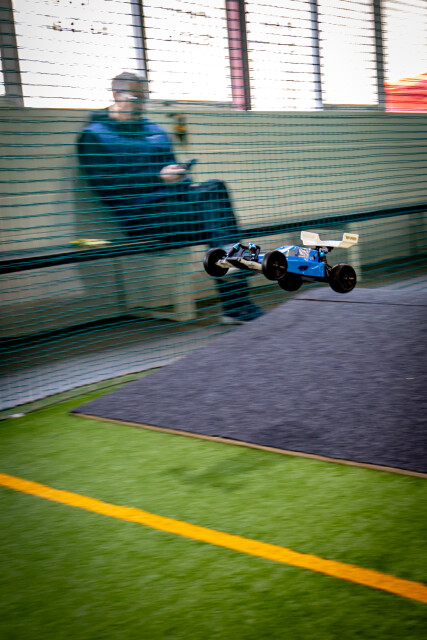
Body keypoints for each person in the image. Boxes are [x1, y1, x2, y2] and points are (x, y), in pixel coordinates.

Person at [77, 72, 264, 324]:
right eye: (135, 98)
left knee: (214, 190)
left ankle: (234, 285)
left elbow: (172, 172)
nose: (141, 106)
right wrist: (157, 178)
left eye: (144, 99)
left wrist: (183, 179)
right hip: (142, 217)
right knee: (219, 219)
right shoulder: (94, 136)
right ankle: (237, 298)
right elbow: (107, 187)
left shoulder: (155, 131)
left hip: (176, 209)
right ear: (116, 95)